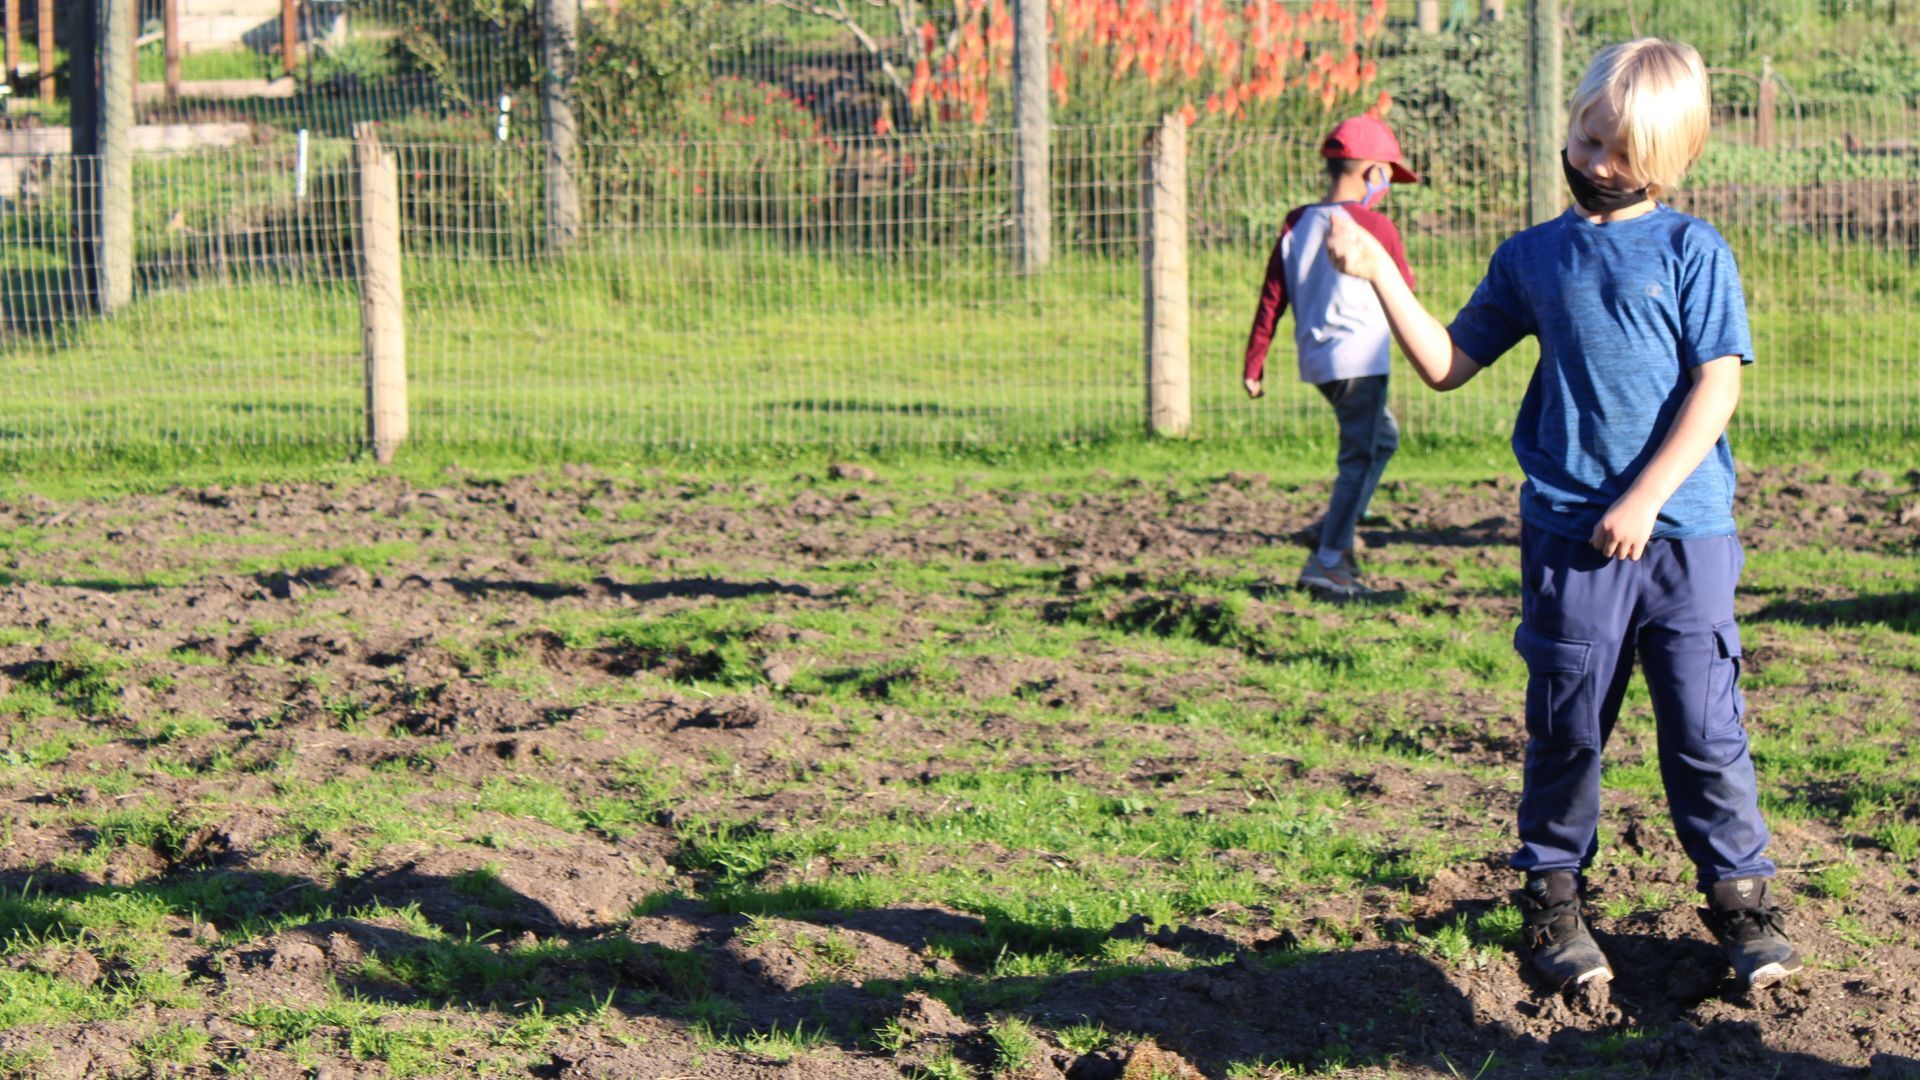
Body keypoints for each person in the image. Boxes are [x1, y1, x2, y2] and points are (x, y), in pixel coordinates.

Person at [1324, 38, 1800, 991]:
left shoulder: (1693, 251)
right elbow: (1447, 364)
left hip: (1686, 537)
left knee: (1705, 728)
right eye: (1588, 141)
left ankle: (1741, 901)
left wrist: (1645, 497)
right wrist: (1379, 273)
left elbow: (1716, 388)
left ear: (1670, 159)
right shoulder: (1532, 258)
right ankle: (1552, 899)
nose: (1597, 164)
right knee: (1568, 725)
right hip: (1570, 539)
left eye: (1621, 152)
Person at [1242, 112, 1418, 598]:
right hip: (1361, 360)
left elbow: (1271, 297)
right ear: (1373, 172)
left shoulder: (1296, 223)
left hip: (1318, 361)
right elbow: (1404, 287)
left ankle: (1332, 526)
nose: (1388, 187)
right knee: (1358, 457)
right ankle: (1329, 561)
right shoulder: (1375, 226)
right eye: (1388, 176)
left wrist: (1255, 363)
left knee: (1383, 438)